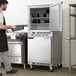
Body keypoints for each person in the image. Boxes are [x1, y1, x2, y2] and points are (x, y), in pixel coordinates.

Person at [0, 0, 18, 74]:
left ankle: (9, 69)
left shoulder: (1, 13)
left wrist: (8, 29)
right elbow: (1, 26)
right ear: (2, 4)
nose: (6, 6)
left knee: (4, 53)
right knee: (4, 53)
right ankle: (9, 69)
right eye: (6, 5)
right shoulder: (0, 13)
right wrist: (11, 26)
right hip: (0, 36)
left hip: (1, 35)